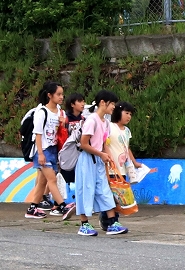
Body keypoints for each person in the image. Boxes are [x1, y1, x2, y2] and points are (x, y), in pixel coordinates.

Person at [75, 90, 127, 236]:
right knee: (85, 189)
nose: (114, 107)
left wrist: (107, 158)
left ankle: (112, 222)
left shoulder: (106, 123)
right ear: (103, 103)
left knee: (104, 189)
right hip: (87, 159)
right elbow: (83, 144)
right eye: (112, 104)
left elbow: (104, 143)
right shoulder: (92, 120)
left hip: (98, 160)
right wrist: (101, 154)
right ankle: (84, 224)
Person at [24, 82, 72, 219]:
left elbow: (61, 132)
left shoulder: (59, 111)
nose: (61, 97)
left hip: (53, 150)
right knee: (52, 179)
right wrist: (40, 154)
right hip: (43, 149)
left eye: (62, 94)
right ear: (49, 95)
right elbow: (38, 134)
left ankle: (32, 209)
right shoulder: (42, 112)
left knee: (42, 182)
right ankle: (62, 206)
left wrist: (63, 123)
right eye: (58, 94)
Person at [107, 102, 144, 182]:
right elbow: (104, 144)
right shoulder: (109, 126)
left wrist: (135, 163)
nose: (129, 116)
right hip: (110, 169)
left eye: (130, 114)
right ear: (118, 112)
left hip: (122, 170)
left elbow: (127, 148)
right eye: (126, 113)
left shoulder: (127, 131)